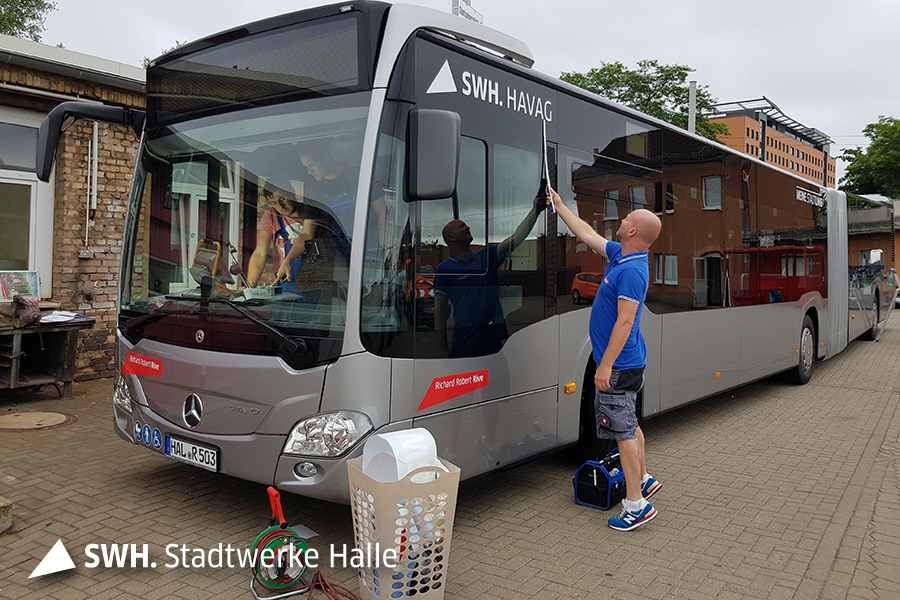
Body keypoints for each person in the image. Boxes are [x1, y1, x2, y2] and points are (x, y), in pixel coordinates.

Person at [547, 187, 663, 532]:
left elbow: (625, 322)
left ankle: (635, 506)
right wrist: (561, 207)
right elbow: (587, 234)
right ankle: (643, 479)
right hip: (628, 362)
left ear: (632, 232)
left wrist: (605, 364)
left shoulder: (632, 271)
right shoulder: (620, 256)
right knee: (629, 421)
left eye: (627, 218)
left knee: (622, 432)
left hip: (620, 364)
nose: (622, 218)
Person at [433, 193, 546, 358]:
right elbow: (440, 312)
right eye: (462, 226)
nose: (468, 227)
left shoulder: (486, 258)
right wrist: (443, 350)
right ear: (451, 238)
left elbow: (516, 239)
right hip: (465, 344)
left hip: (495, 344)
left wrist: (535, 210)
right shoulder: (444, 269)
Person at [246, 178, 317, 290]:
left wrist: (288, 260)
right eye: (274, 203)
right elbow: (259, 253)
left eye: (282, 199)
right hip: (286, 283)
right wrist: (249, 288)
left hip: (314, 283)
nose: (280, 206)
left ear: (292, 193)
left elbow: (307, 234)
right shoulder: (271, 216)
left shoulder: (313, 213)